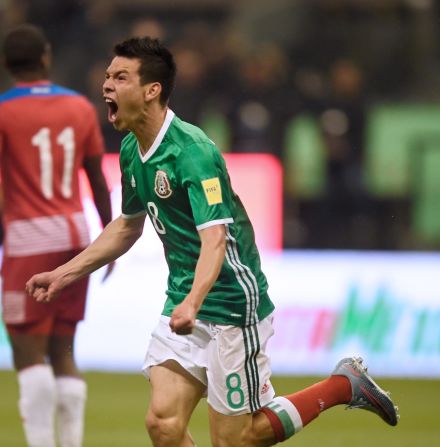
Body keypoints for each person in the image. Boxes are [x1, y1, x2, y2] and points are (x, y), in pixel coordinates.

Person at [26, 36, 398, 447]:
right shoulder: (133, 148)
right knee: (163, 425)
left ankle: (343, 386)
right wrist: (64, 274)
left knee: (237, 439)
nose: (106, 85)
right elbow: (128, 226)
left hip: (232, 304)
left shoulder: (193, 151)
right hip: (185, 299)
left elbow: (216, 239)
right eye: (108, 76)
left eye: (120, 77)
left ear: (152, 90)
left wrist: (194, 302)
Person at [0, 24, 112, 447]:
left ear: (7, 65)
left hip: (28, 239)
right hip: (75, 237)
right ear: (45, 58)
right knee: (64, 354)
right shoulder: (80, 106)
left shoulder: (4, 111)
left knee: (29, 357)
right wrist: (105, 240)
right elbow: (97, 180)